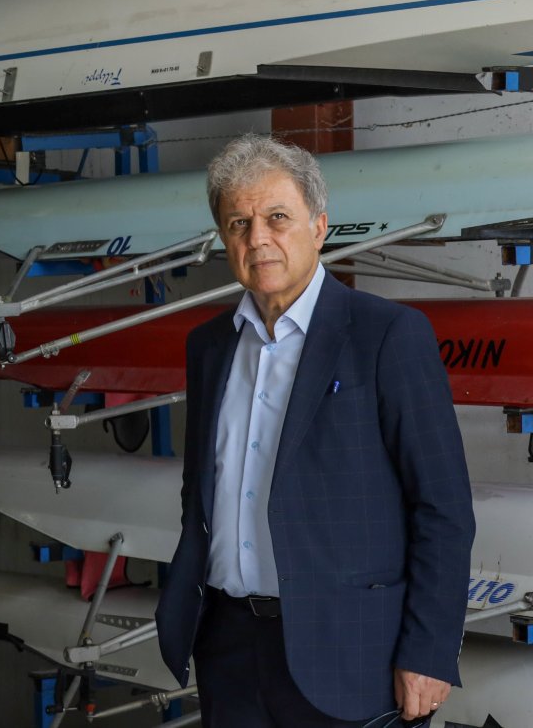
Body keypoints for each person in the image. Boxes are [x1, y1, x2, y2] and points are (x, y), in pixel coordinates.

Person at [155, 133, 475, 726]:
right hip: (227, 646)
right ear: (223, 238)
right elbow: (200, 489)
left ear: (320, 226)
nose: (258, 238)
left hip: (351, 652)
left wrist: (430, 650)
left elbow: (443, 507)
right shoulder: (209, 346)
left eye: (277, 217)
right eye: (238, 223)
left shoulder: (387, 335)